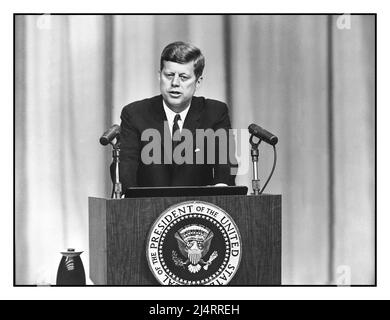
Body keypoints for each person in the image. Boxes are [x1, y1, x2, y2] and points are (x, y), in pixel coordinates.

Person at [118, 41, 237, 190]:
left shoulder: (215, 112)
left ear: (198, 81)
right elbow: (126, 166)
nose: (175, 83)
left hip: (198, 208)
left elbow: (225, 162)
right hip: (147, 208)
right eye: (169, 75)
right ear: (159, 76)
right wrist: (129, 199)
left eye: (183, 77)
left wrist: (222, 191)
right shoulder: (135, 114)